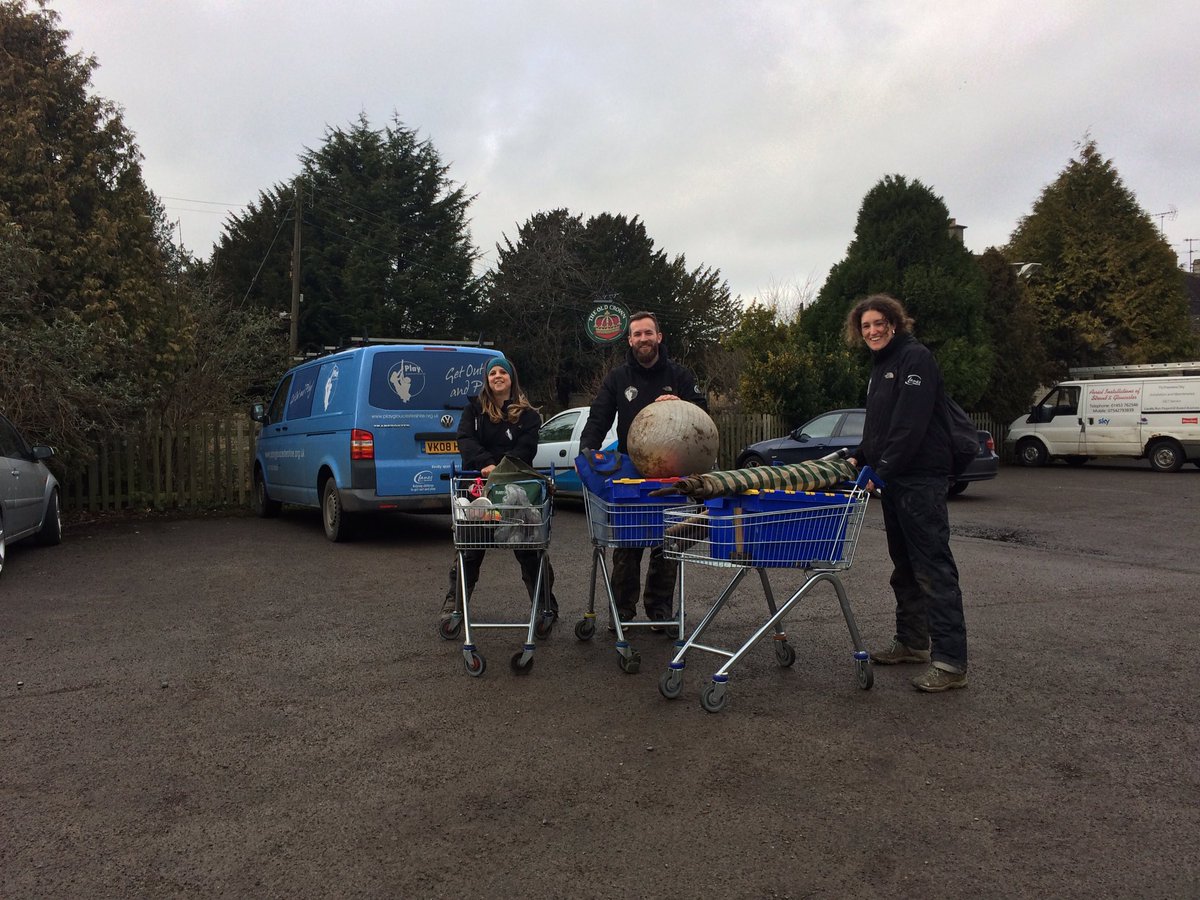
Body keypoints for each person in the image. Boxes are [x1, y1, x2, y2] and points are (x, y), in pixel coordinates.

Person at [844, 293, 969, 692]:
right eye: (866, 326)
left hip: (920, 479)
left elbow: (911, 425)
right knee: (905, 566)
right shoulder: (880, 366)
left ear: (894, 324)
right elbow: (881, 425)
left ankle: (951, 664)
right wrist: (861, 455)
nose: (873, 331)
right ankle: (913, 642)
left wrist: (881, 471)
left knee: (933, 567)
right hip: (897, 479)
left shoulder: (916, 359)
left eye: (879, 323)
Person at [578, 311, 707, 629]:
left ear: (659, 337)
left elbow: (703, 412)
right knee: (628, 544)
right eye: (637, 334)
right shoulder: (618, 379)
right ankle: (622, 611)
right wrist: (587, 451)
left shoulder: (680, 375)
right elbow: (599, 418)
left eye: (648, 333)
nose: (643, 339)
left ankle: (659, 609)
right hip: (631, 471)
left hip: (672, 472)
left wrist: (680, 403)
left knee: (668, 543)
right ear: (630, 340)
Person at [440, 357, 558, 625]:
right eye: (492, 373)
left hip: (517, 490)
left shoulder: (528, 415)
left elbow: (527, 447)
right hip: (479, 488)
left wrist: (501, 468)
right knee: (469, 549)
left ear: (511, 378)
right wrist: (485, 464)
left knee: (529, 549)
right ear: (487, 380)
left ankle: (545, 606)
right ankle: (454, 604)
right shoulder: (473, 411)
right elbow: (465, 440)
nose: (497, 376)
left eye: (502, 371)